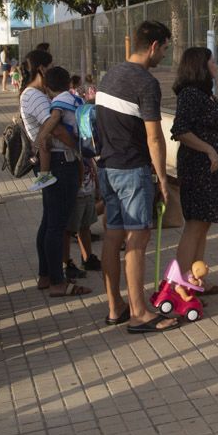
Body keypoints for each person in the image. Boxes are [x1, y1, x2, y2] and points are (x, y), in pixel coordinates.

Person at [97, 20, 174, 331]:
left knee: (113, 237)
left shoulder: (109, 76)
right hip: (132, 169)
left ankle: (116, 307)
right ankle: (140, 313)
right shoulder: (145, 82)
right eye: (165, 49)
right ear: (153, 46)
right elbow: (154, 137)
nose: (164, 56)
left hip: (107, 167)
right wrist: (163, 179)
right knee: (137, 241)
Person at [19, 53, 90, 298]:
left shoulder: (38, 95)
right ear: (41, 69)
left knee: (50, 222)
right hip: (60, 162)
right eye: (48, 66)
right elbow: (56, 128)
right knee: (56, 225)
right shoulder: (37, 96)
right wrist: (79, 147)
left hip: (56, 161)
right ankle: (57, 282)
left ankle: (46, 276)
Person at [171, 47, 218, 295]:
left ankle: (195, 279)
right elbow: (180, 130)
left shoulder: (205, 94)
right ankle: (180, 283)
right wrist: (209, 149)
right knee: (195, 224)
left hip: (210, 171)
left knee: (203, 224)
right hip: (198, 169)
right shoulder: (190, 94)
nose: (216, 66)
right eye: (212, 62)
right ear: (200, 66)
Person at [29, 66, 82, 192]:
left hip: (68, 142)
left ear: (47, 88)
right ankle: (81, 181)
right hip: (78, 137)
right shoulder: (74, 98)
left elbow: (53, 119)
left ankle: (44, 175)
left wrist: (39, 139)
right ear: (68, 84)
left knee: (44, 141)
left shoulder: (59, 100)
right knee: (79, 158)